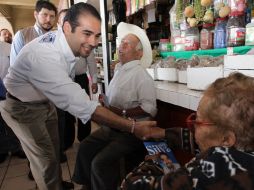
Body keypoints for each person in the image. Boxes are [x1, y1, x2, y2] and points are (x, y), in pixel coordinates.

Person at [0, 3, 156, 190]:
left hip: (44, 103)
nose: (93, 42)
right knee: (46, 160)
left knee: (55, 153)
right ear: (67, 28)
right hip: (22, 108)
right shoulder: (45, 57)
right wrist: (133, 126)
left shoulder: (63, 42)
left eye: (97, 35)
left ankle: (56, 183)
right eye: (87, 33)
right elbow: (86, 107)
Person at [122, 72, 254, 190]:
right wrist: (162, 133)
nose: (193, 126)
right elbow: (204, 140)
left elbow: (130, 186)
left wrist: (155, 162)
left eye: (198, 121)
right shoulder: (242, 148)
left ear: (226, 140)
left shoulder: (219, 167)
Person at [72, 22, 157, 190]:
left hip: (131, 133)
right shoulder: (119, 70)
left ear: (138, 53)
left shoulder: (141, 75)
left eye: (126, 44)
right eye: (121, 43)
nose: (120, 47)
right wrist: (106, 103)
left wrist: (121, 111)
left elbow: (150, 109)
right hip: (112, 127)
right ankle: (87, 185)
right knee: (85, 147)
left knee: (100, 163)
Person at [10, 0, 57, 66]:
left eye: (52, 16)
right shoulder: (22, 35)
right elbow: (14, 67)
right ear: (36, 15)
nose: (48, 19)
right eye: (45, 15)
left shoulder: (57, 37)